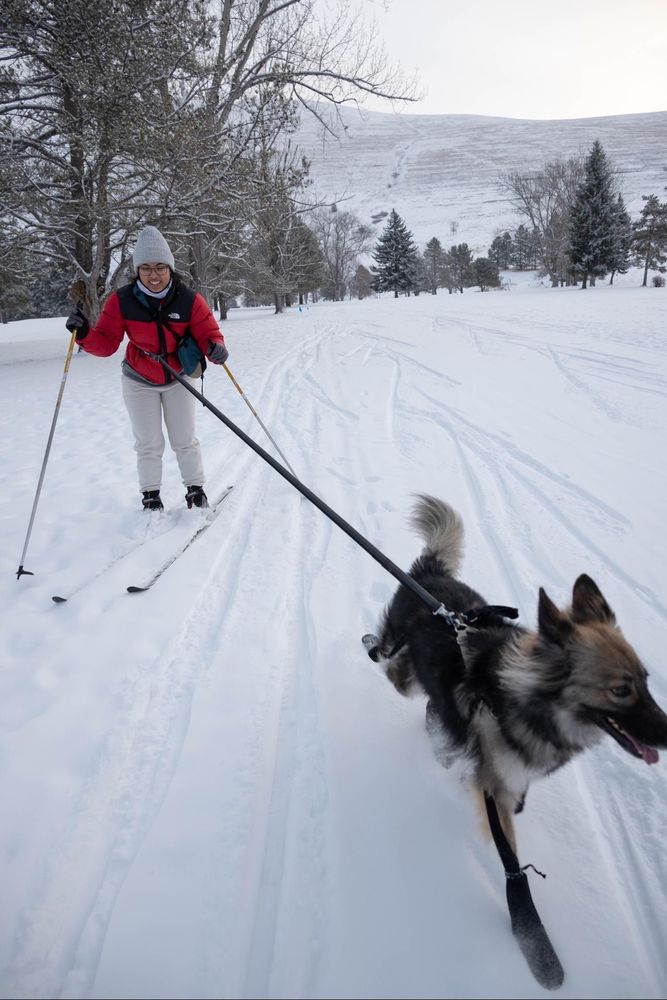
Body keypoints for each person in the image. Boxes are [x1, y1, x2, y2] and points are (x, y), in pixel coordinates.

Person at [66, 226, 228, 511]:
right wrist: (83, 335)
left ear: (170, 268)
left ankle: (195, 490)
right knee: (148, 442)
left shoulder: (189, 299)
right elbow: (105, 344)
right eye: (146, 268)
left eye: (160, 267)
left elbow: (210, 334)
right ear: (137, 270)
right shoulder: (122, 301)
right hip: (139, 377)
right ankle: (151, 496)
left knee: (184, 438)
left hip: (178, 377)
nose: (154, 275)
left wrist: (216, 348)